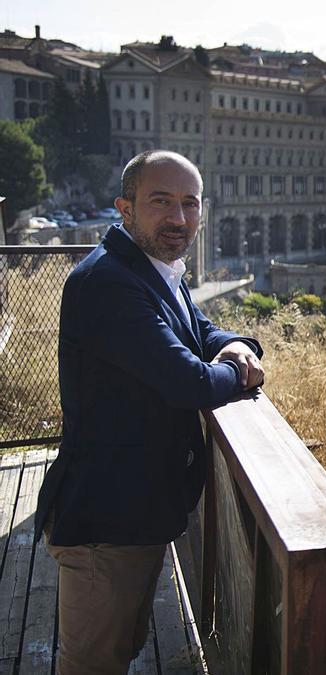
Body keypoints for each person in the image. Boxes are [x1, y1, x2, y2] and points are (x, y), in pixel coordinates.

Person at [34, 150, 265, 674]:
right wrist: (245, 372)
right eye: (161, 201)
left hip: (134, 514)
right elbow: (188, 380)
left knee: (119, 649)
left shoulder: (153, 268)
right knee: (93, 663)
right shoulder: (109, 283)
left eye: (190, 204)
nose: (179, 219)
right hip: (105, 522)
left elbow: (200, 331)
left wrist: (238, 345)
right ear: (125, 208)